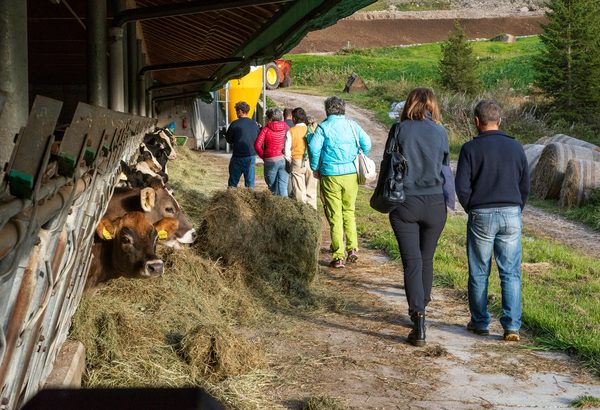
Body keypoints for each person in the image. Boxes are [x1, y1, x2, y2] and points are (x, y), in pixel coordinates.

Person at [455, 99, 529, 342]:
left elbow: (462, 187)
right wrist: (517, 209)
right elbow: (524, 184)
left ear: (477, 121)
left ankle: (480, 322)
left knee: (479, 271)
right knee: (510, 273)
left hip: (481, 213)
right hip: (511, 212)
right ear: (500, 120)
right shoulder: (517, 147)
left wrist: (472, 208)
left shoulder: (469, 149)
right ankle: (512, 327)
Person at [387, 87, 449, 347]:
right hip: (435, 202)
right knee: (426, 259)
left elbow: (388, 162)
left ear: (409, 104)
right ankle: (422, 304)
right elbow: (444, 164)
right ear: (432, 105)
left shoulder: (399, 129)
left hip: (406, 201)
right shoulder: (441, 132)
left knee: (412, 262)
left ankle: (418, 318)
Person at [309, 96, 371, 268]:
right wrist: (359, 154)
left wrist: (315, 167)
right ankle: (352, 248)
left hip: (330, 174)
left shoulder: (323, 127)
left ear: (327, 110)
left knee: (335, 215)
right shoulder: (353, 125)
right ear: (343, 109)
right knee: (349, 211)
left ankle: (338, 256)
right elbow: (367, 143)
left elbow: (314, 148)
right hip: (351, 173)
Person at [284, 107, 317, 208]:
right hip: (311, 162)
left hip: (297, 161)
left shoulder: (291, 131)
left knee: (299, 190)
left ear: (294, 119)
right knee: (311, 190)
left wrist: (290, 161)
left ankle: (303, 212)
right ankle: (313, 211)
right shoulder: (311, 129)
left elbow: (286, 151)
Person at [225, 101, 260, 189]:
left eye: (237, 111)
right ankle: (250, 199)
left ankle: (230, 198)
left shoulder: (234, 124)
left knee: (233, 182)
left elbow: (228, 139)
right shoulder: (254, 124)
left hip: (238, 156)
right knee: (250, 184)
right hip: (251, 156)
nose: (236, 113)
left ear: (240, 111)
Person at [255, 108, 289, 196]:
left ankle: (274, 205)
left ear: (269, 118)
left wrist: (264, 156)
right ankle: (285, 207)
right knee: (283, 186)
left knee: (272, 187)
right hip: (284, 158)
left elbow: (257, 145)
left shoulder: (265, 129)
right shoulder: (286, 127)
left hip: (270, 159)